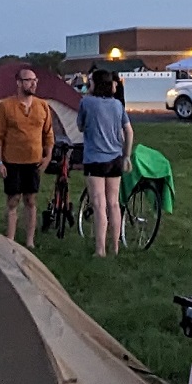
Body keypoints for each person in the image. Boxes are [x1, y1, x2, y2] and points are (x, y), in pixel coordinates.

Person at [0, 65, 58, 248]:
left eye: (35, 80)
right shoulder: (5, 106)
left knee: (31, 199)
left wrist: (48, 156)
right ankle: (10, 240)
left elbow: (49, 134)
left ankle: (30, 241)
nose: (34, 83)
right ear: (19, 83)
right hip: (12, 160)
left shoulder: (42, 105)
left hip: (34, 161)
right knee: (13, 200)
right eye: (29, 80)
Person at [78, 68, 134, 258]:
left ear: (94, 84)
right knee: (114, 203)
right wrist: (126, 155)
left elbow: (80, 125)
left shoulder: (86, 102)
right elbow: (129, 131)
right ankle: (115, 248)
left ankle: (100, 249)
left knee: (99, 204)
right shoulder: (117, 105)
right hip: (116, 159)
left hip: (95, 159)